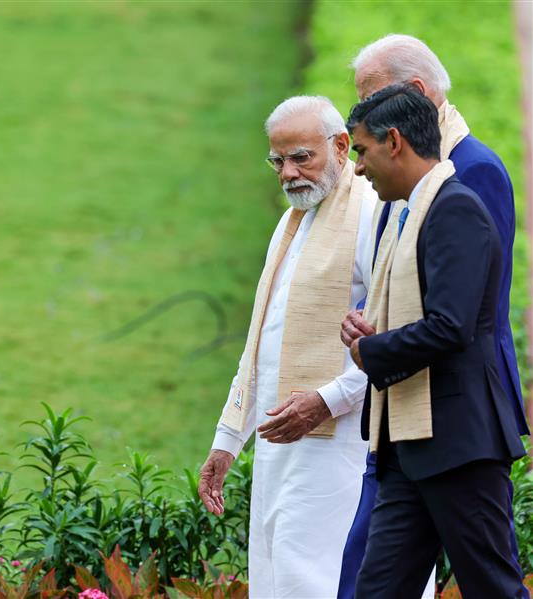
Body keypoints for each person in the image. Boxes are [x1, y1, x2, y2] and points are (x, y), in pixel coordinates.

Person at [337, 34, 529, 599]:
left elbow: (463, 319)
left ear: (395, 138)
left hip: (457, 429)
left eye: (363, 151)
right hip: (404, 435)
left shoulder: (463, 186)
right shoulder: (411, 195)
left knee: (492, 587)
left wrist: (373, 350)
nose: (358, 168)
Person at [197, 95, 376, 598]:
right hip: (281, 442)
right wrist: (227, 439)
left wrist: (327, 400)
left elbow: (396, 339)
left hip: (340, 443)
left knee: (320, 577)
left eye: (302, 157)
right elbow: (262, 342)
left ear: (341, 146)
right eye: (278, 160)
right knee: (277, 574)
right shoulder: (291, 221)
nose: (288, 173)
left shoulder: (370, 215)